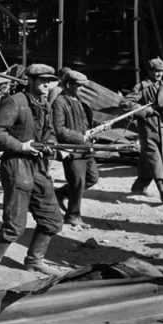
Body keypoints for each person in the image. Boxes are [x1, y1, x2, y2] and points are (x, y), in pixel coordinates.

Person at [0, 64, 65, 283]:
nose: (47, 84)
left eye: (50, 80)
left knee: (52, 219)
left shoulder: (45, 104)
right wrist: (21, 146)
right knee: (15, 224)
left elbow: (51, 132)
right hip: (16, 164)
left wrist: (50, 145)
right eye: (43, 80)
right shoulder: (15, 102)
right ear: (31, 81)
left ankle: (35, 261)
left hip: (37, 165)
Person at [121, 57, 163, 203]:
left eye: (161, 71)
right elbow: (125, 103)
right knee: (155, 157)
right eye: (156, 71)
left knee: (158, 159)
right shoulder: (142, 87)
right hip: (149, 128)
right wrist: (146, 110)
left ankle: (139, 186)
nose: (159, 74)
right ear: (150, 71)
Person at [52, 70, 99, 227]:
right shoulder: (60, 102)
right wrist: (81, 137)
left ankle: (60, 193)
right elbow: (59, 129)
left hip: (86, 148)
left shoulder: (78, 100)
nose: (82, 89)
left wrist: (95, 130)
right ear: (68, 84)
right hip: (71, 150)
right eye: (79, 86)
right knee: (77, 182)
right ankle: (73, 216)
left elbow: (84, 122)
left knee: (92, 178)